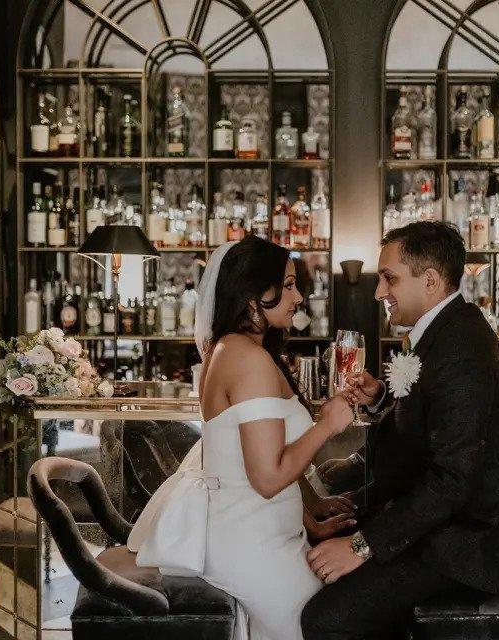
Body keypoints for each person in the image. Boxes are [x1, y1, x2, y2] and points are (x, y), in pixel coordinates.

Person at [301, 221, 499, 640]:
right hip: (438, 519)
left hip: (465, 541)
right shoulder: (441, 331)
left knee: (324, 620)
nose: (379, 293)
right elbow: (426, 428)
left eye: (389, 278)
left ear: (429, 280)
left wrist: (361, 547)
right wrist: (381, 399)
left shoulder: (461, 347)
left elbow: (452, 480)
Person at [127, 235, 356, 640]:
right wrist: (328, 424)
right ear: (254, 295)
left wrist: (312, 512)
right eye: (287, 285)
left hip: (268, 534)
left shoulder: (229, 349)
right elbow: (266, 478)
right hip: (253, 546)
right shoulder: (248, 360)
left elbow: (251, 456)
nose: (299, 296)